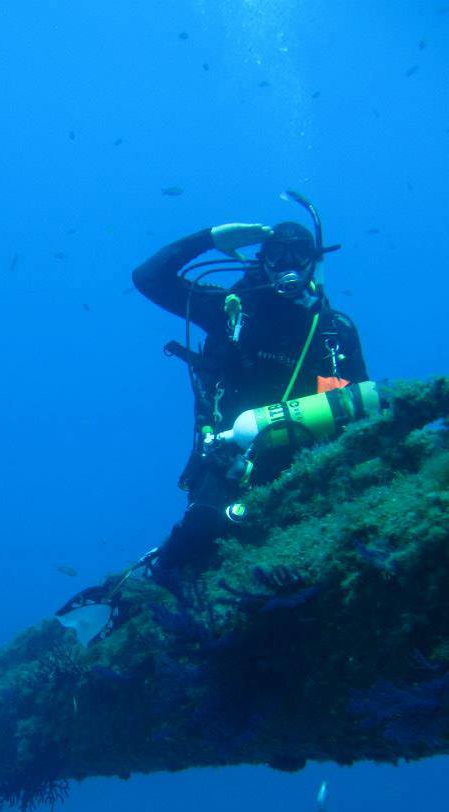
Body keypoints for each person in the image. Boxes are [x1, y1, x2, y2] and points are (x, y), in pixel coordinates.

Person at [132, 193, 369, 576]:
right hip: (228, 457)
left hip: (303, 457)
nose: (288, 267)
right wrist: (210, 239)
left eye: (300, 255)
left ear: (315, 261)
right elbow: (148, 278)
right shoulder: (231, 309)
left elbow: (359, 406)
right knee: (199, 539)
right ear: (263, 260)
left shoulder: (331, 332)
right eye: (277, 255)